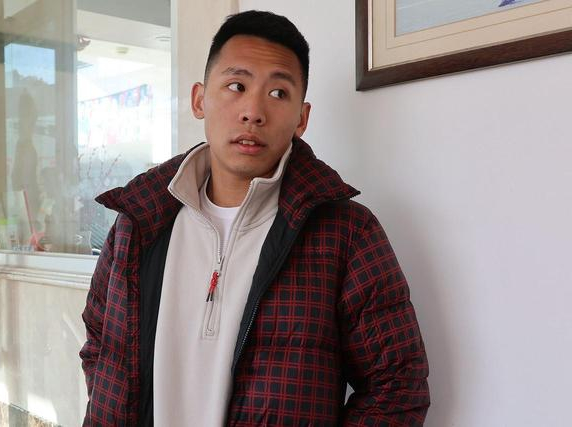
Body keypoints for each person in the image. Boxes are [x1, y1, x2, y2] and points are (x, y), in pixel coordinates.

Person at [80, 10, 430, 426]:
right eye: (236, 86)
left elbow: (398, 387)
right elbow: (100, 346)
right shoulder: (139, 221)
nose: (253, 111)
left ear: (302, 118)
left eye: (278, 93)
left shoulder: (347, 234)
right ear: (199, 100)